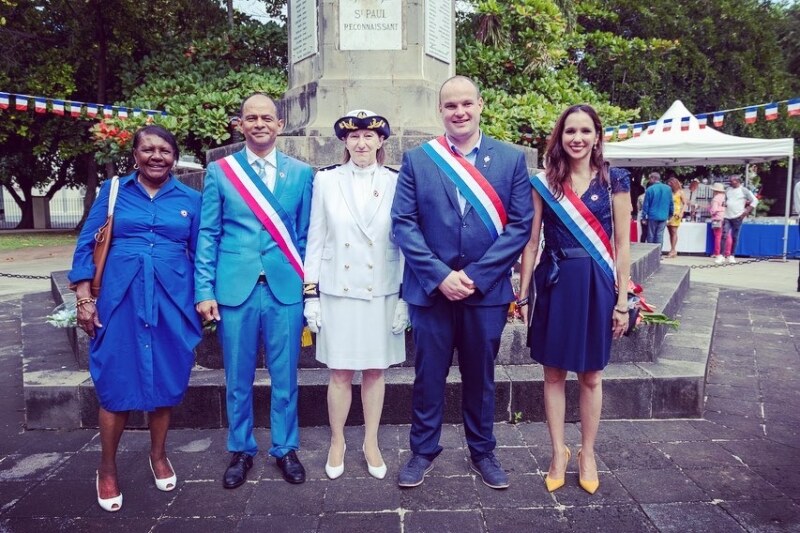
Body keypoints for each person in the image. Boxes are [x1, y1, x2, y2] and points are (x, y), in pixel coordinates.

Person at [390, 75, 533, 490]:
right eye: (451, 105)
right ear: (441, 110)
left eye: (466, 103)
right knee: (427, 375)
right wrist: (439, 276)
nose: (460, 112)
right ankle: (422, 451)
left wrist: (474, 276)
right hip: (432, 292)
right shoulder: (419, 159)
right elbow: (404, 223)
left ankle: (483, 451)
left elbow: (520, 226)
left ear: (481, 105)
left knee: (481, 376)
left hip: (484, 292)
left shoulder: (510, 159)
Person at [69, 125, 202, 512]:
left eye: (164, 150)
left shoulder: (191, 200)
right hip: (119, 300)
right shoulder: (113, 194)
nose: (156, 156)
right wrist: (83, 299)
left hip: (171, 301)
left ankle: (158, 454)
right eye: (148, 149)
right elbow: (85, 246)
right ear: (135, 155)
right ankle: (106, 468)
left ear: (174, 156)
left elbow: (201, 253)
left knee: (166, 378)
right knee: (114, 381)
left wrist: (204, 298)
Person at [194, 93, 314, 488]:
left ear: (280, 125)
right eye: (251, 118)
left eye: (267, 117)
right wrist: (204, 290)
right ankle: (241, 449)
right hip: (234, 289)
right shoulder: (221, 172)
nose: (259, 123)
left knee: (286, 375)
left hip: (284, 288)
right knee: (237, 376)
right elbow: (208, 233)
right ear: (240, 124)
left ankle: (285, 448)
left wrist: (311, 288)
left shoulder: (301, 173)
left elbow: (306, 234)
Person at [518, 104, 631, 496]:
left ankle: (587, 453)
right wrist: (523, 294)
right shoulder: (544, 182)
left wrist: (623, 300)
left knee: (591, 375)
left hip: (598, 285)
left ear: (597, 136)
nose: (577, 138)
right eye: (570, 131)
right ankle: (557, 453)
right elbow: (532, 243)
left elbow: (621, 244)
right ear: (560, 137)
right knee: (552, 374)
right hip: (555, 283)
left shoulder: (615, 179)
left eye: (585, 131)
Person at [303, 110, 407, 481]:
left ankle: (371, 442)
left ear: (381, 141)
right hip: (338, 289)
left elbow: (408, 242)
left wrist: (405, 299)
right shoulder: (327, 181)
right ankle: (337, 441)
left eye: (369, 137)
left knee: (376, 372)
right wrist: (310, 296)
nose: (361, 143)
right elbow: (316, 239)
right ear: (345, 142)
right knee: (340, 372)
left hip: (381, 288)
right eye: (354, 137)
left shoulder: (396, 181)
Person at [720, 175, 757, 263]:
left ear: (738, 181)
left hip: (738, 216)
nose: (730, 182)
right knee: (724, 235)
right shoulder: (728, 190)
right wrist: (724, 203)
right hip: (727, 216)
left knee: (735, 236)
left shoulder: (744, 190)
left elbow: (755, 200)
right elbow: (725, 199)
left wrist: (746, 212)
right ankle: (721, 255)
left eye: (732, 181)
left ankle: (732, 255)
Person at [641, 172, 673, 247]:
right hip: (664, 215)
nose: (649, 180)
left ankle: (651, 253)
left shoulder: (650, 189)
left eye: (650, 178)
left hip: (652, 216)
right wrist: (670, 214)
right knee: (660, 235)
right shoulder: (668, 189)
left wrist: (644, 217)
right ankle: (659, 254)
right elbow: (671, 203)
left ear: (653, 178)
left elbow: (646, 205)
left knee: (651, 235)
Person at [665, 177, 687, 258]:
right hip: (669, 214)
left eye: (670, 184)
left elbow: (685, 203)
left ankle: (672, 250)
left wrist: (681, 213)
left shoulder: (680, 192)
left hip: (677, 214)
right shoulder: (669, 192)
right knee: (670, 232)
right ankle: (673, 250)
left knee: (674, 231)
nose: (669, 186)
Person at [709, 183, 726, 262]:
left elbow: (714, 210)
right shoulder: (725, 197)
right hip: (726, 217)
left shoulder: (716, 198)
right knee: (727, 236)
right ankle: (727, 253)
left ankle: (717, 253)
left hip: (717, 218)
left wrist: (710, 210)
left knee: (718, 236)